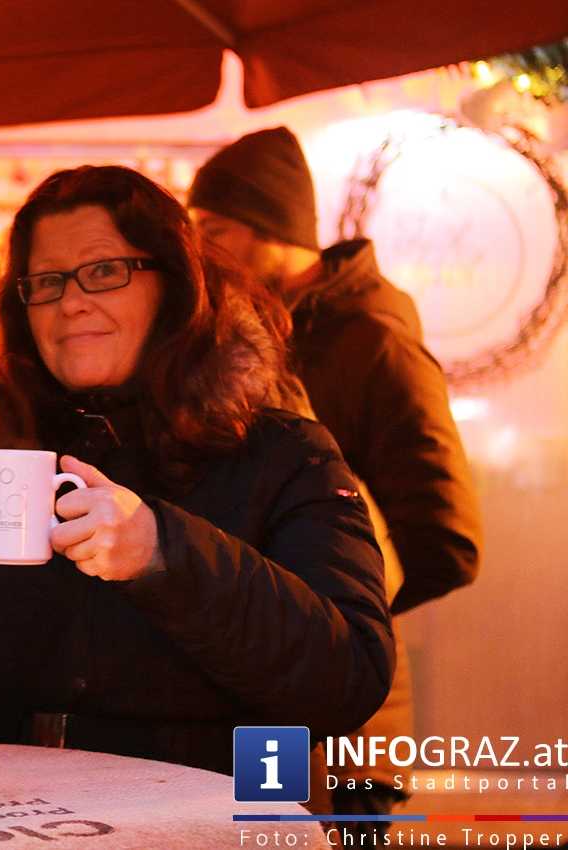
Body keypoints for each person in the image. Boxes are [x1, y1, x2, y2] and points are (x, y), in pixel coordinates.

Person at [0, 165, 394, 778]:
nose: (72, 301)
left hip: (220, 813)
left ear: (174, 285)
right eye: (47, 281)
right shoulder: (6, 464)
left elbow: (350, 677)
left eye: (104, 271)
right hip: (12, 814)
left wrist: (164, 552)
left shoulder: (282, 454)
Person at [188, 127, 482, 826]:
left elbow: (448, 540)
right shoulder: (253, 331)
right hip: (268, 702)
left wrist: (333, 620)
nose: (201, 252)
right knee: (263, 834)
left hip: (350, 728)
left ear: (272, 226)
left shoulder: (372, 340)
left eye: (216, 230)